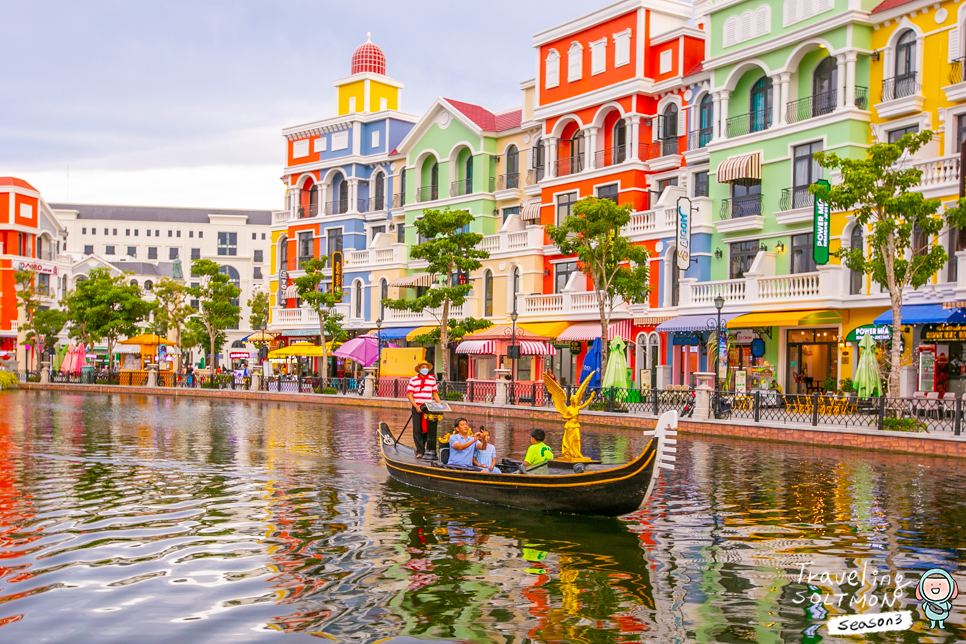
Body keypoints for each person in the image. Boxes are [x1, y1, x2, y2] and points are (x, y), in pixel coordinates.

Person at [407, 360, 441, 458]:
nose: (424, 369)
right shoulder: (413, 380)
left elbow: (435, 393)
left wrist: (439, 405)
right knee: (417, 429)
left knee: (427, 429)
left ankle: (420, 447)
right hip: (417, 406)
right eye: (422, 367)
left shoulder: (431, 379)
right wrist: (416, 406)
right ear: (418, 369)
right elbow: (410, 395)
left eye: (426, 367)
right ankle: (421, 451)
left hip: (428, 407)